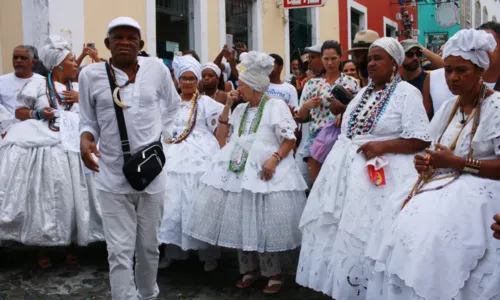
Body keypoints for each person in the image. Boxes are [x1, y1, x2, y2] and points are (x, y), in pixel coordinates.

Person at [368, 29, 500, 300]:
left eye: (462, 70)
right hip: (439, 185)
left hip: (481, 193)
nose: (452, 77)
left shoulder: (496, 107)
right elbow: (432, 149)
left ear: (479, 71)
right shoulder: (449, 108)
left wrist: (460, 164)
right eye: (448, 70)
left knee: (434, 238)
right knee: (400, 228)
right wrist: (425, 162)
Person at [296, 37, 431, 299]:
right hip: (344, 175)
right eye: (369, 58)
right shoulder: (362, 94)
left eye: (378, 58)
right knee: (340, 233)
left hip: (383, 179)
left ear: (394, 63)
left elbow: (420, 138)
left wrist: (383, 146)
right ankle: (345, 287)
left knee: (370, 235)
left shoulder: (407, 93)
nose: (371, 63)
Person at [184, 51, 307, 295]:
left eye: (241, 84)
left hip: (265, 170)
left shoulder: (275, 106)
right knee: (242, 218)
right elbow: (222, 138)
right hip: (237, 168)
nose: (238, 87)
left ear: (253, 85)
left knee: (262, 220)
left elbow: (289, 139)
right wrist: (228, 105)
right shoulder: (239, 110)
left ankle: (273, 272)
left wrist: (273, 159)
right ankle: (248, 269)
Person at [79, 17, 180, 299]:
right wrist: (86, 139)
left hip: (152, 175)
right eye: (118, 37)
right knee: (119, 250)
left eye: (131, 37)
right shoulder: (90, 76)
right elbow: (87, 120)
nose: (125, 42)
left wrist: (159, 143)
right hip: (111, 174)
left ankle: (147, 294)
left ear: (141, 45)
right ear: (107, 43)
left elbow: (173, 106)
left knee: (149, 247)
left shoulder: (157, 69)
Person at [0, 36, 103, 268]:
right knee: (43, 195)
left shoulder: (78, 87)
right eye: (70, 60)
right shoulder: (37, 84)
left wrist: (81, 99)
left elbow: (93, 114)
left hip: (73, 144)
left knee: (73, 195)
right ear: (58, 64)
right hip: (43, 143)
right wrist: (39, 114)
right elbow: (19, 112)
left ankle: (70, 244)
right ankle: (42, 246)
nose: (75, 63)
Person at [158, 55, 222, 272]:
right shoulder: (169, 103)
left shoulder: (207, 104)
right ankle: (173, 251)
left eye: (191, 78)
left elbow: (218, 131)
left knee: (198, 200)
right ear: (177, 79)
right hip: (171, 151)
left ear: (198, 81)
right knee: (172, 201)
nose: (187, 82)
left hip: (200, 153)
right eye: (183, 78)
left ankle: (208, 253)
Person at [297, 40, 360, 183]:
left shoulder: (351, 82)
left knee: (337, 184)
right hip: (316, 136)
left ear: (340, 57)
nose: (330, 63)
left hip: (341, 137)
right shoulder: (312, 84)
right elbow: (302, 117)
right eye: (326, 59)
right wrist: (306, 105)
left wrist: (343, 112)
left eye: (333, 58)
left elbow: (359, 111)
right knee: (318, 185)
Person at [0, 45, 44, 137]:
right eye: (15, 57)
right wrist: (5, 128)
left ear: (33, 62)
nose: (18, 60)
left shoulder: (43, 82)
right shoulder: (2, 81)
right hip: (6, 134)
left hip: (35, 133)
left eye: (23, 58)